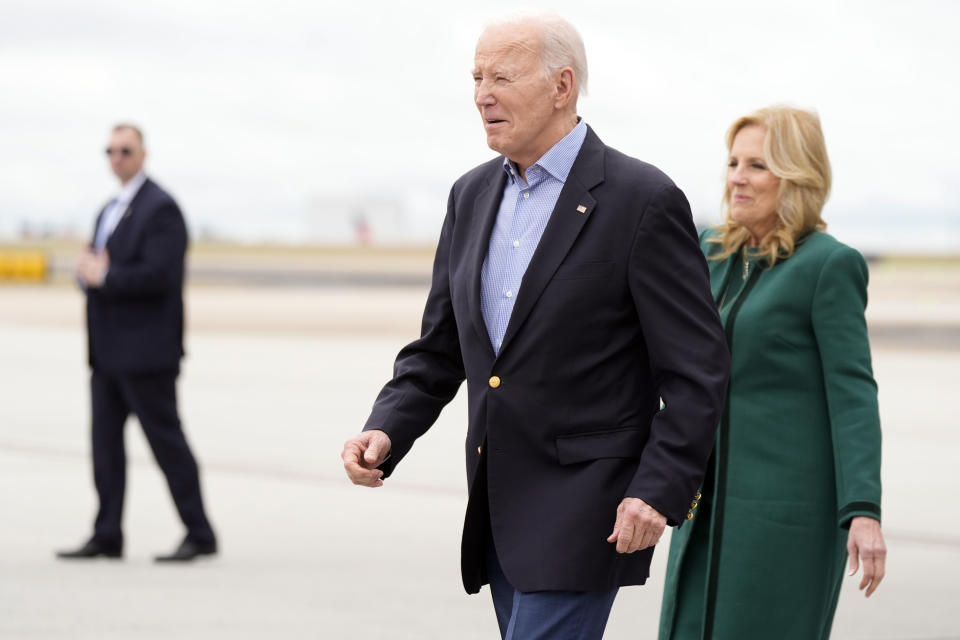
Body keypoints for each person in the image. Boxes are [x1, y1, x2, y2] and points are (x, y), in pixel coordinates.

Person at [341, 12, 729, 639]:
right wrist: (386, 428)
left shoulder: (641, 199)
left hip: (590, 505)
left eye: (502, 76)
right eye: (475, 77)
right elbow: (441, 350)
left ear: (562, 85)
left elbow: (697, 371)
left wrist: (658, 490)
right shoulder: (469, 196)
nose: (482, 94)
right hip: (499, 506)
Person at [658, 106, 886, 640]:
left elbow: (853, 392)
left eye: (757, 165)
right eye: (734, 162)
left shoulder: (828, 265)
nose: (737, 176)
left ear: (797, 175)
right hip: (701, 501)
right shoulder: (712, 253)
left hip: (784, 512)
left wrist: (863, 509)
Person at [58, 124, 217, 563]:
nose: (116, 158)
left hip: (147, 353)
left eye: (125, 150)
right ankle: (107, 533)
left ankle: (200, 532)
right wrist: (87, 274)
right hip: (107, 352)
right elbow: (96, 266)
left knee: (166, 442)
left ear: (143, 154)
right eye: (109, 150)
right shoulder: (110, 208)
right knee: (105, 444)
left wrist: (104, 276)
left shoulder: (160, 208)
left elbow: (160, 277)